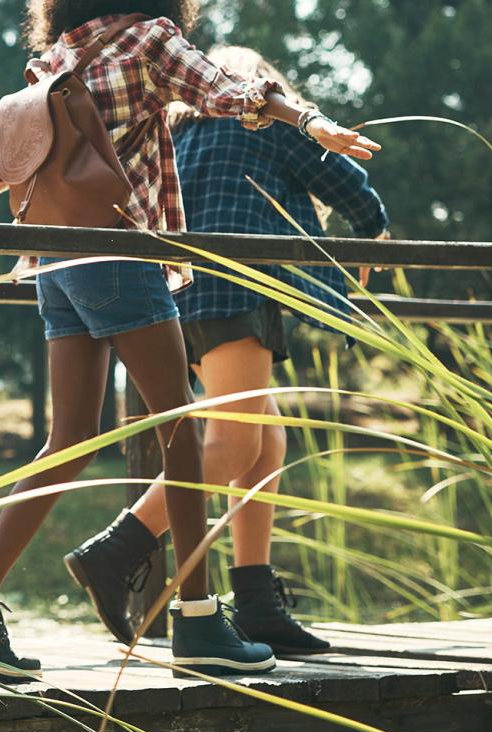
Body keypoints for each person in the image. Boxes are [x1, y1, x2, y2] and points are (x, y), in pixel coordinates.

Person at [0, 0, 378, 676]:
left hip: (53, 263)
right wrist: (309, 122)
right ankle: (200, 622)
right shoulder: (151, 39)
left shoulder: (55, 58)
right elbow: (230, 91)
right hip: (120, 255)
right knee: (182, 429)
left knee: (67, 436)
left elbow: (11, 160)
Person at [123, 45, 389, 657]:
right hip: (235, 292)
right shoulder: (265, 119)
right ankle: (118, 548)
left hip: (178, 299)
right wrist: (375, 231)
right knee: (235, 443)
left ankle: (257, 603)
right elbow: (344, 181)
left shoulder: (180, 132)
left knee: (266, 438)